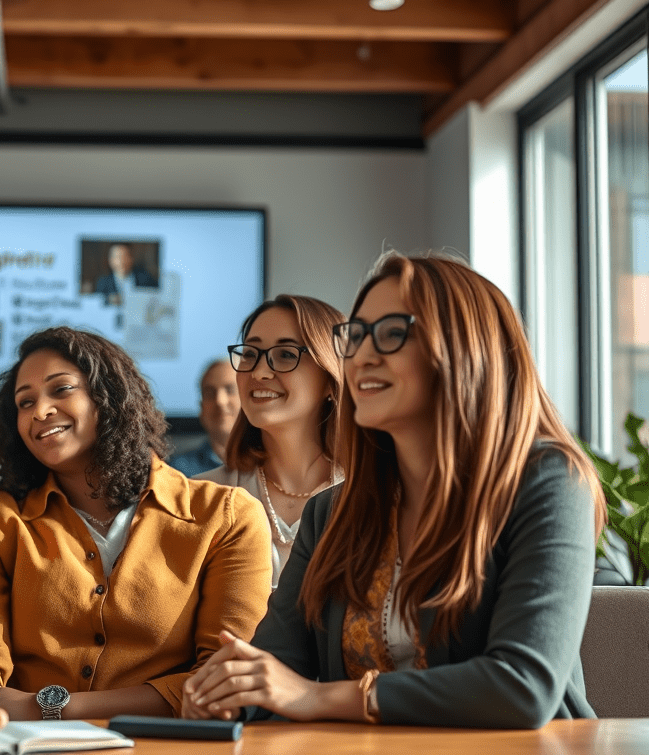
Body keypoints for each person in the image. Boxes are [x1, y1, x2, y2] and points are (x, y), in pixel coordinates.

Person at [182, 252, 607, 729]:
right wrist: (228, 695)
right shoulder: (330, 512)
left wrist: (320, 697)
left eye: (390, 333)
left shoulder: (548, 481)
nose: (362, 356)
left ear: (465, 348)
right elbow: (278, 669)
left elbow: (522, 687)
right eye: (357, 336)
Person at [0, 326, 272, 720]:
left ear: (110, 396)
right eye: (25, 402)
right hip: (27, 744)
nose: (39, 411)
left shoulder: (227, 516)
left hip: (171, 745)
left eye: (61, 389)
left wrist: (51, 707)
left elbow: (225, 682)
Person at [198, 295, 345, 586]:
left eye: (286, 354)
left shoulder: (372, 496)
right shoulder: (203, 497)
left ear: (330, 377)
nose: (259, 372)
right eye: (250, 354)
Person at [168, 359, 240, 477]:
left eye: (230, 390)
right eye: (210, 393)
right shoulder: (177, 472)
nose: (220, 401)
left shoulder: (269, 465)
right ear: (201, 408)